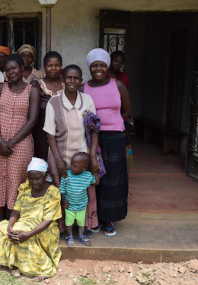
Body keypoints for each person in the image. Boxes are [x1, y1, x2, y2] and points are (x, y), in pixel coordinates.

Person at [81, 48, 132, 237]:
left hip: (114, 138)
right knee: (94, 179)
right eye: (94, 65)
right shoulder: (82, 87)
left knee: (112, 179)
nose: (98, 69)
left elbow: (127, 111)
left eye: (102, 65)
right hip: (91, 138)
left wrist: (115, 123)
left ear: (107, 66)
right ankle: (93, 218)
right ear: (89, 68)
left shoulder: (117, 85)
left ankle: (108, 219)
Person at [44, 64, 101, 235]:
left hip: (83, 157)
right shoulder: (53, 102)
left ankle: (86, 226)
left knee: (86, 191)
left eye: (76, 78)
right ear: (62, 80)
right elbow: (50, 135)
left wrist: (93, 157)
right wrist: (58, 159)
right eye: (69, 77)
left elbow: (94, 129)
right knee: (63, 193)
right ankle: (63, 228)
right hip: (59, 155)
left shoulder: (88, 100)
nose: (72, 81)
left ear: (80, 81)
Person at [0, 54, 40, 220]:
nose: (11, 72)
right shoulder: (1, 87)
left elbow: (33, 120)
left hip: (21, 143)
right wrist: (1, 141)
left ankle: (14, 218)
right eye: (7, 69)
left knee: (17, 178)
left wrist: (11, 142)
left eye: (14, 68)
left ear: (22, 68)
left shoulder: (32, 90)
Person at [0, 157, 62, 282]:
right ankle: (13, 262)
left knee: (21, 235)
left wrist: (28, 234)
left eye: (37, 178)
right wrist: (10, 226)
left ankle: (42, 269)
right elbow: (16, 210)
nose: (34, 182)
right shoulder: (25, 189)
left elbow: (48, 220)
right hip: (24, 223)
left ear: (45, 176)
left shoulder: (53, 192)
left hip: (44, 228)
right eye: (31, 178)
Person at [60, 152, 99, 247]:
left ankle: (81, 236)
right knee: (68, 222)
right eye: (71, 164)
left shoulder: (88, 176)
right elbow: (62, 189)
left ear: (84, 167)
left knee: (81, 222)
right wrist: (63, 200)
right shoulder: (66, 175)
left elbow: (97, 182)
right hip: (69, 205)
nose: (71, 167)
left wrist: (95, 172)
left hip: (82, 206)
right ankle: (69, 236)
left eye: (75, 165)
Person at [33, 51, 64, 161]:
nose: (54, 68)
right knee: (43, 164)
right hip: (41, 134)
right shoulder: (37, 85)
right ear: (45, 66)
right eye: (50, 65)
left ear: (61, 66)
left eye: (57, 65)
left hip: (64, 134)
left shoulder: (68, 84)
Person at [108, 50, 134, 170]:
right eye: (116, 61)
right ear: (110, 60)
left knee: (125, 141)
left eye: (120, 62)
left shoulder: (124, 77)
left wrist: (130, 116)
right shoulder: (104, 75)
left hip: (122, 114)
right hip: (109, 114)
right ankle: (110, 165)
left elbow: (128, 98)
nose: (117, 64)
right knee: (111, 142)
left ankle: (127, 165)